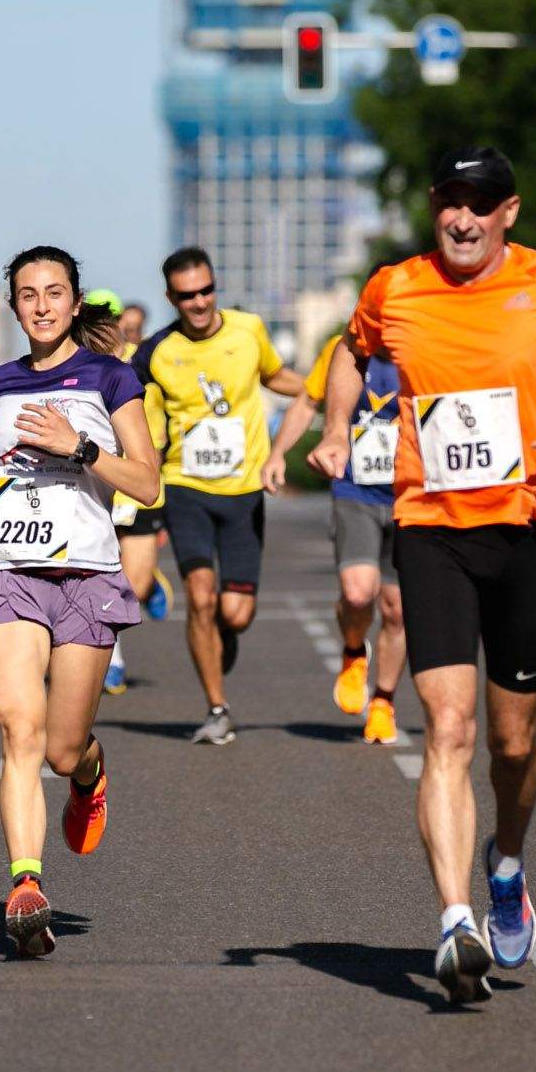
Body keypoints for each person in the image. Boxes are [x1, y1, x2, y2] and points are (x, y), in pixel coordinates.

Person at [310, 145, 536, 1002]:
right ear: (435, 206)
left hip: (530, 530)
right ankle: (455, 918)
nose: (462, 217)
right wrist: (341, 426)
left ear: (509, 212)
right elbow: (350, 350)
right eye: (450, 201)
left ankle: (507, 863)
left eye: (480, 202)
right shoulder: (396, 286)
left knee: (512, 742)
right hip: (433, 530)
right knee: (448, 729)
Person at [0, 247, 160, 956]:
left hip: (88, 576)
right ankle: (26, 884)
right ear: (13, 306)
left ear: (74, 303)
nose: (41, 304)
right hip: (11, 568)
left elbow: (148, 483)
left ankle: (91, 777)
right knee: (19, 730)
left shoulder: (110, 375)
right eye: (28, 294)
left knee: (65, 750)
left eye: (55, 292)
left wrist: (81, 449)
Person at [134, 247, 307, 744]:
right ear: (171, 298)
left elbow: (276, 377)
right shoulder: (156, 351)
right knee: (201, 597)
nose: (199, 302)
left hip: (244, 490)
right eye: (187, 296)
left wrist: (324, 389)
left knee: (236, 613)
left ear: (216, 286)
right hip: (185, 486)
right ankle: (216, 707)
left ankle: (222, 636)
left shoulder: (249, 329)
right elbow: (117, 395)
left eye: (206, 290)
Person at [268, 322, 407, 744]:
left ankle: (383, 703)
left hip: (410, 497)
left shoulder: (426, 343)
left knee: (398, 610)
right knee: (358, 591)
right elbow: (306, 402)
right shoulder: (343, 349)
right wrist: (278, 453)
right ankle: (353, 653)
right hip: (356, 490)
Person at [84, 287, 165, 697]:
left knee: (132, 583)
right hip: (98, 485)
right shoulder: (80, 370)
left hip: (138, 487)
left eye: (110, 322)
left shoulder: (145, 364)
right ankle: (112, 655)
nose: (105, 330)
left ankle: (150, 582)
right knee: (102, 578)